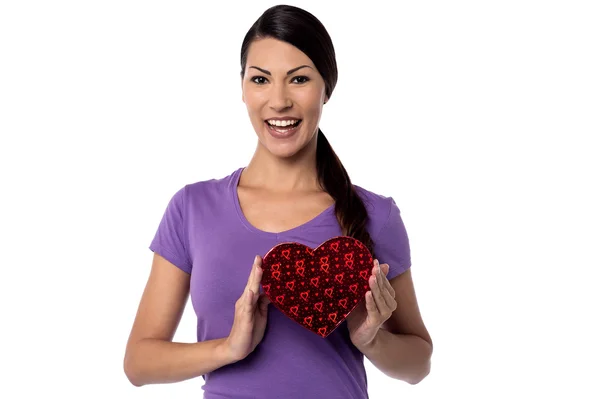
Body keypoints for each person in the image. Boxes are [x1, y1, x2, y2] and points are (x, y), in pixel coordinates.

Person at [123, 4, 433, 398]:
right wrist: (229, 348)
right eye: (261, 79)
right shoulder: (192, 208)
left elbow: (418, 365)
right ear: (242, 88)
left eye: (299, 79)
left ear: (327, 88)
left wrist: (371, 339)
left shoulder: (376, 216)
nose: (279, 100)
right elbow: (138, 362)